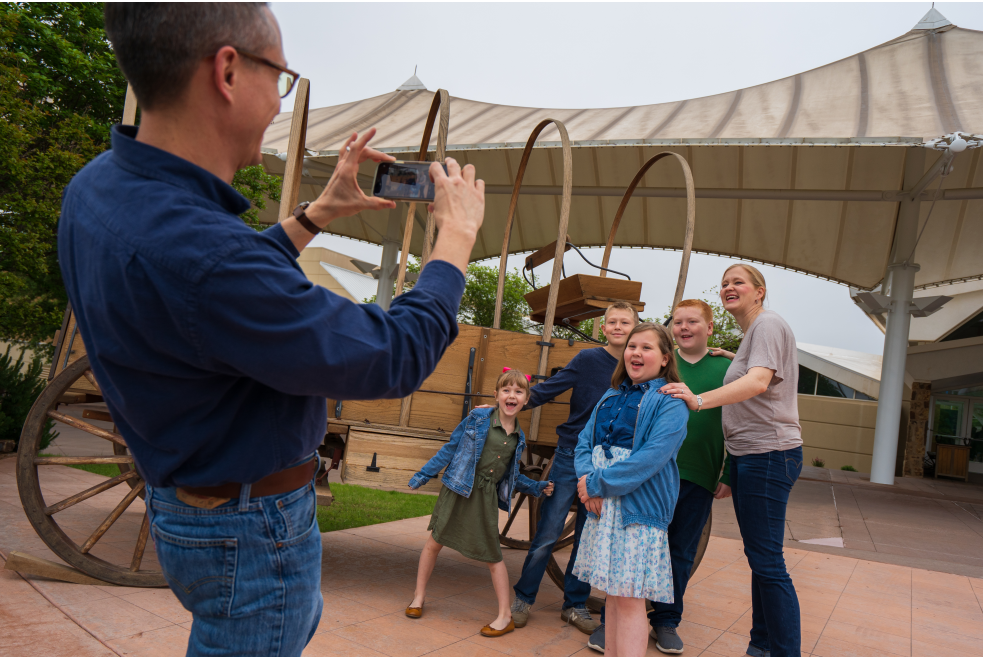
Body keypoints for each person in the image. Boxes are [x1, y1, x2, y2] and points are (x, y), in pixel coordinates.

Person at [60, 4, 485, 656]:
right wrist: (453, 242)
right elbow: (390, 358)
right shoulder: (209, 258)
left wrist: (316, 214)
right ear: (227, 70)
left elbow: (209, 291)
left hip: (183, 501)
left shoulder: (98, 186)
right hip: (250, 529)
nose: (279, 104)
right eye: (280, 79)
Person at [661, 264, 803, 658]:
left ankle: (782, 651)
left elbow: (758, 381)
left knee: (769, 563)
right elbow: (754, 371)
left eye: (738, 282)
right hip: (750, 454)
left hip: (768, 453)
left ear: (759, 291)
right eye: (724, 283)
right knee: (760, 559)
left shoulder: (768, 324)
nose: (728, 287)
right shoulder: (751, 334)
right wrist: (731, 354)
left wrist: (699, 399)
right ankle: (761, 646)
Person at [509, 303, 639, 638]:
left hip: (607, 464)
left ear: (635, 327)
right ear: (604, 327)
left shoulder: (638, 367)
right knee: (548, 531)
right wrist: (510, 403)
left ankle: (574, 604)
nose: (618, 327)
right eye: (612, 322)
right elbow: (549, 389)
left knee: (587, 536)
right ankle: (523, 598)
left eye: (626, 322)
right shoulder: (588, 360)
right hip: (570, 455)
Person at [407, 369, 554, 637]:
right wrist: (424, 473)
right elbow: (450, 448)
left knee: (492, 555)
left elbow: (511, 475)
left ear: (526, 399)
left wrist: (535, 487)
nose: (512, 395)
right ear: (496, 395)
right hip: (458, 488)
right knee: (434, 542)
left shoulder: (518, 438)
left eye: (518, 392)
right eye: (506, 390)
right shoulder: (478, 418)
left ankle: (505, 615)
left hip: (485, 498)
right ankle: (418, 597)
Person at [574, 323, 689, 657]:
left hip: (636, 510)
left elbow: (650, 458)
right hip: (602, 503)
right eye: (632, 346)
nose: (636, 353)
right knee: (613, 593)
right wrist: (586, 482)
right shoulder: (612, 394)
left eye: (647, 348)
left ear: (666, 358)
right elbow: (585, 441)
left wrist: (596, 484)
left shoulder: (670, 401)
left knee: (629, 597)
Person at [646, 299, 732, 654]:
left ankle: (666, 621)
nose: (684, 327)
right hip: (654, 472)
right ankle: (617, 616)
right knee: (642, 544)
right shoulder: (662, 363)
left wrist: (729, 470)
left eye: (693, 322)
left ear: (709, 328)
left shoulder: (728, 369)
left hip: (699, 473)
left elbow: (739, 422)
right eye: (678, 321)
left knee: (680, 551)